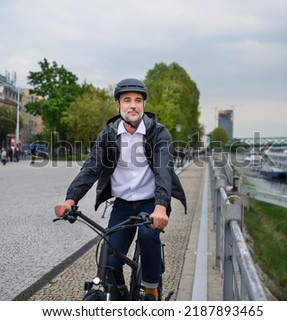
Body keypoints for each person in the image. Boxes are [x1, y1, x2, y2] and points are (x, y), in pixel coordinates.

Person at [54, 78, 187, 301]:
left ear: (144, 105)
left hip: (152, 203)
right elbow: (91, 168)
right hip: (123, 205)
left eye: (138, 100)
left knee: (147, 234)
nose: (133, 105)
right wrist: (70, 200)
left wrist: (161, 206)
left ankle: (151, 288)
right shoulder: (108, 134)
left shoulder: (159, 134)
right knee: (109, 261)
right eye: (127, 100)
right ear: (118, 106)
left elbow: (164, 171)